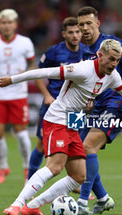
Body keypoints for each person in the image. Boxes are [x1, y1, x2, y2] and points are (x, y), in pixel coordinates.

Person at [0, 39, 122, 215]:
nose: (114, 64)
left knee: (79, 176)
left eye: (117, 60)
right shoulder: (82, 69)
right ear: (100, 55)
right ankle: (16, 205)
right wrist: (12, 80)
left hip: (75, 121)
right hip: (57, 119)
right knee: (55, 167)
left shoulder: (112, 76)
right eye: (111, 59)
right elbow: (46, 71)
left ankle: (33, 206)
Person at [75, 6, 122, 215]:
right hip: (95, 105)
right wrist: (88, 99)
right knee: (76, 150)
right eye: (81, 25)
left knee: (87, 147)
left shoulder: (113, 44)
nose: (84, 28)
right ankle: (103, 199)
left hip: (116, 103)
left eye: (88, 23)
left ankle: (83, 202)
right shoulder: (83, 49)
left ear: (97, 23)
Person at [0, 9, 35, 184]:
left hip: (18, 93)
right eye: (3, 22)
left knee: (21, 132)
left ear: (15, 24)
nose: (7, 25)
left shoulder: (25, 43)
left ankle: (27, 168)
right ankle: (3, 167)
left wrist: (26, 73)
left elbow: (33, 64)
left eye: (10, 22)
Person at [27, 17, 85, 180]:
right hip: (53, 105)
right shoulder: (54, 52)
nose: (75, 35)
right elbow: (38, 74)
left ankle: (75, 183)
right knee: (41, 145)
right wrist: (46, 95)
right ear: (64, 34)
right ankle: (29, 181)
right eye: (71, 32)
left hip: (75, 108)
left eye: (78, 32)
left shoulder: (86, 52)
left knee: (75, 145)